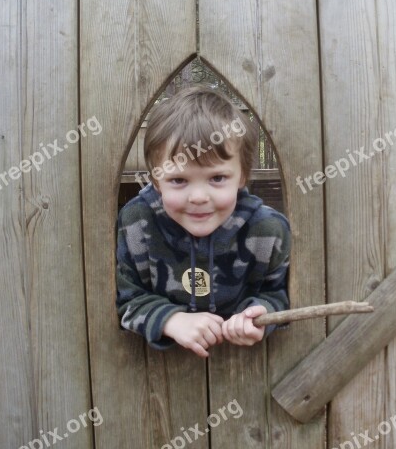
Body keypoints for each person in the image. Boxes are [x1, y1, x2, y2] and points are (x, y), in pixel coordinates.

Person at [116, 86, 290, 358]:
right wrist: (170, 320)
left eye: (217, 178)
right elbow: (126, 299)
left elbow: (280, 294)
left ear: (242, 175)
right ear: (155, 180)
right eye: (178, 180)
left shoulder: (268, 231)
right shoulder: (138, 223)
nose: (198, 197)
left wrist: (259, 314)